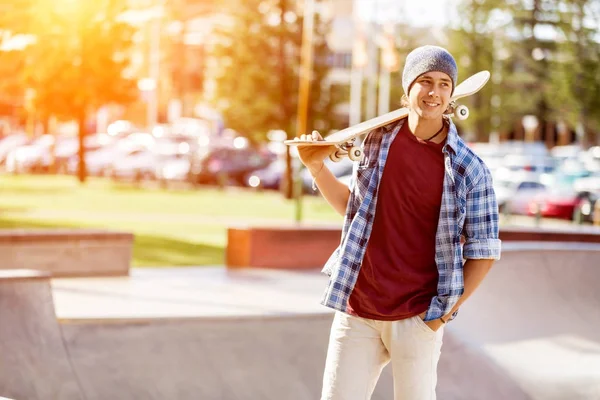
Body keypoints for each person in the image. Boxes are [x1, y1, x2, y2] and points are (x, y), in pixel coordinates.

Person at [296, 45, 502, 400]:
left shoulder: (469, 168)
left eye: (443, 84)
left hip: (417, 316)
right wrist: (316, 167)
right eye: (424, 81)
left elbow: (484, 253)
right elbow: (355, 210)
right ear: (407, 90)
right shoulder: (377, 141)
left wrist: (438, 317)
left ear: (451, 95)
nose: (433, 92)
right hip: (359, 309)